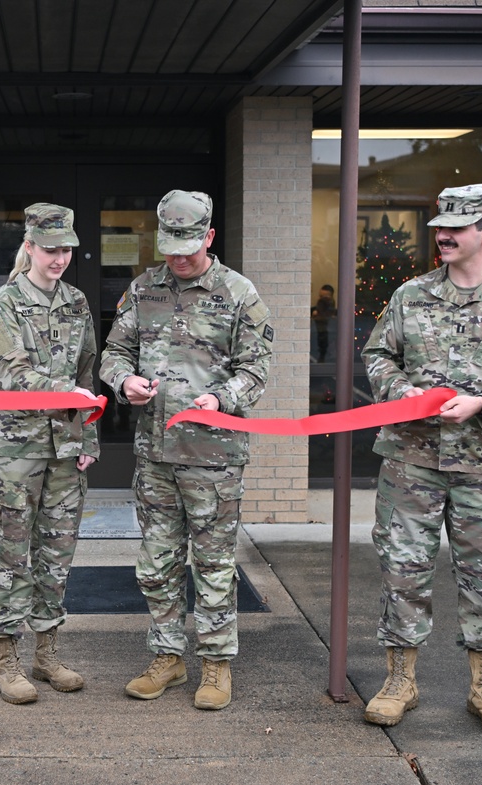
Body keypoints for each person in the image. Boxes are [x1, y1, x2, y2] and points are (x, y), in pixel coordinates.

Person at [360, 184, 482, 737]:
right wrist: (400, 391)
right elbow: (378, 354)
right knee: (403, 570)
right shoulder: (410, 296)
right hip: (410, 459)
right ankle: (400, 679)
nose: (443, 236)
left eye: (456, 228)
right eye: (439, 228)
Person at [100, 190, 272, 710]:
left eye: (188, 247)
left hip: (214, 459)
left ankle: (216, 665)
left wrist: (222, 397)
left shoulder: (239, 294)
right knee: (157, 563)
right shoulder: (143, 289)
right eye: (170, 247)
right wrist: (123, 381)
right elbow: (113, 352)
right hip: (155, 454)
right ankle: (169, 658)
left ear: (210, 237)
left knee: (215, 564)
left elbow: (257, 369)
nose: (178, 258)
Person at [0, 203, 100, 705]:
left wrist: (87, 435)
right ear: (28, 246)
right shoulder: (2, 303)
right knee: (12, 555)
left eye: (67, 249)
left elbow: (88, 369)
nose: (60, 258)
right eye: (50, 249)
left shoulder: (76, 301)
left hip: (66, 449)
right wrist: (67, 395)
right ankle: (5, 659)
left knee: (56, 555)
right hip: (12, 450)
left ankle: (46, 653)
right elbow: (12, 372)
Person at [311, 283, 336, 362]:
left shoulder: (338, 314)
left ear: (331, 297)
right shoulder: (313, 311)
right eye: (320, 296)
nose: (322, 300)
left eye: (325, 297)